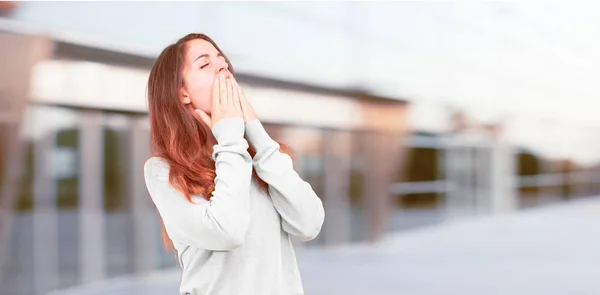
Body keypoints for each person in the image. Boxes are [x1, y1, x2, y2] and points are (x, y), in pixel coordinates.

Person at [143, 33, 325, 295]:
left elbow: (310, 223)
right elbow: (226, 231)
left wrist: (257, 134)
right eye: (204, 64)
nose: (221, 66)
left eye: (222, 60)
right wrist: (229, 138)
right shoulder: (163, 170)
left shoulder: (259, 159)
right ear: (182, 92)